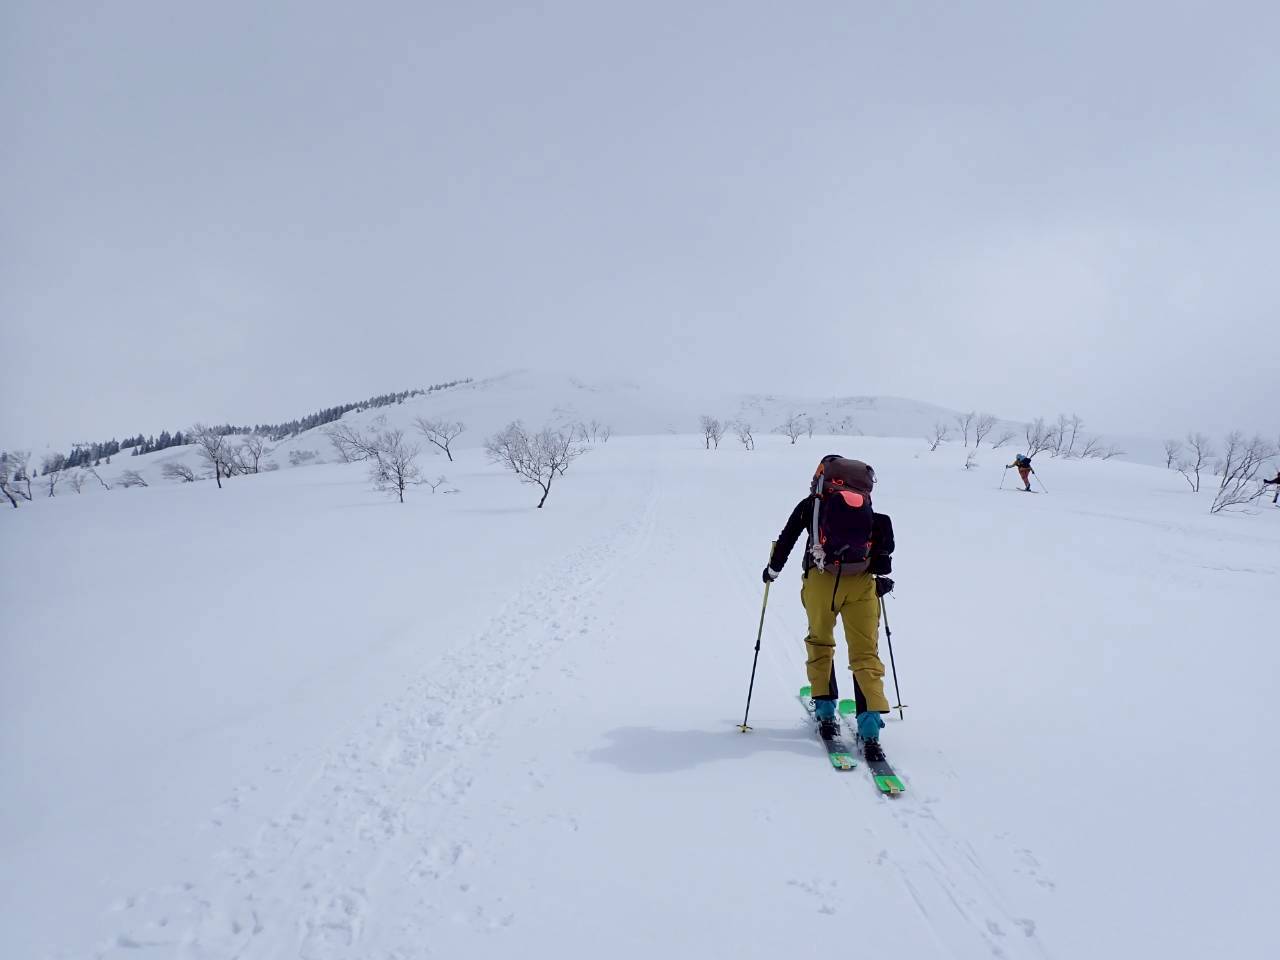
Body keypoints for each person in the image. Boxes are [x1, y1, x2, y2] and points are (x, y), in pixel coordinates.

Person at [762, 455, 895, 757]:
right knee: (865, 654)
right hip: (861, 584)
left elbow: (787, 539)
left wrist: (772, 570)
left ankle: (825, 713)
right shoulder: (866, 506)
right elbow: (881, 548)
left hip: (820, 581)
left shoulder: (811, 505)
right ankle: (870, 729)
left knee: (820, 642)